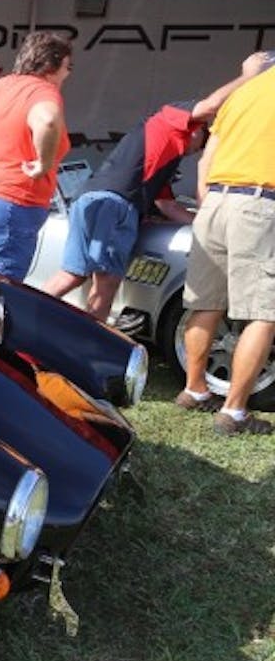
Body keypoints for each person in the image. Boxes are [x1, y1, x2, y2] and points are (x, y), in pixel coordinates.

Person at [42, 52, 272, 322]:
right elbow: (211, 105)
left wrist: (206, 221)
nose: (195, 150)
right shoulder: (168, 120)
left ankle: (21, 314)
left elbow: (168, 206)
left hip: (88, 199)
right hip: (115, 203)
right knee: (107, 283)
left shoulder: (162, 160)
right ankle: (91, 342)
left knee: (71, 274)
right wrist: (249, 76)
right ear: (195, 129)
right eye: (201, 141)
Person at [180, 57, 275, 434]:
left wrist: (208, 200)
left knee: (206, 303)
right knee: (264, 312)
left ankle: (194, 390)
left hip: (216, 201)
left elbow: (208, 155)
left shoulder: (244, 92)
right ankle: (234, 412)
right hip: (259, 203)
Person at [0, 31, 73, 279]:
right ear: (52, 66)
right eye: (67, 67)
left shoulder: (0, 86)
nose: (68, 74)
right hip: (10, 204)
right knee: (2, 286)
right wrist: (43, 164)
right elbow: (48, 121)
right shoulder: (43, 91)